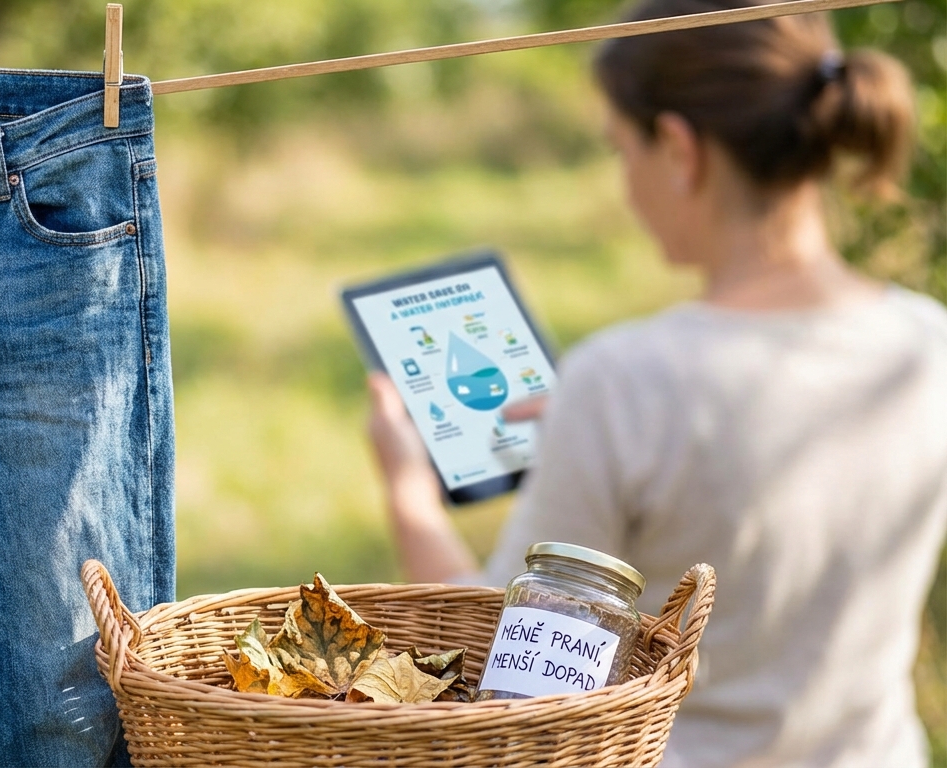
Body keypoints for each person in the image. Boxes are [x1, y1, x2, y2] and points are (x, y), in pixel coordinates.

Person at [365, 1, 947, 766]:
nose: (624, 178)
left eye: (620, 148)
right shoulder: (925, 340)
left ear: (678, 148)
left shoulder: (621, 382)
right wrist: (588, 440)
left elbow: (497, 663)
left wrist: (407, 488)